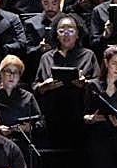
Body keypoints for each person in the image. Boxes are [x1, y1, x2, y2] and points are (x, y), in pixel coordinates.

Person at [34, 14, 98, 153]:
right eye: (61, 30)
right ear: (56, 34)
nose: (66, 34)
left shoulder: (88, 55)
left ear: (78, 34)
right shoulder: (46, 58)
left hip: (80, 119)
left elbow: (98, 84)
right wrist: (43, 87)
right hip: (52, 119)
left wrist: (85, 84)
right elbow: (35, 86)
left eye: (70, 30)